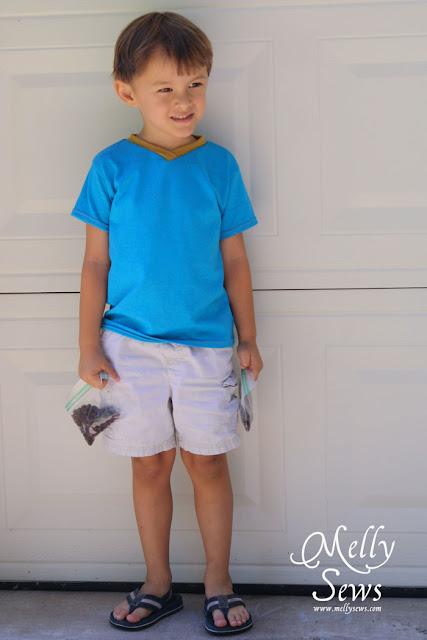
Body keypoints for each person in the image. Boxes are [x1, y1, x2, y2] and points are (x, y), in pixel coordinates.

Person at [71, 10, 263, 635]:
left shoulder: (219, 166)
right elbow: (95, 263)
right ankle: (158, 582)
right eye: (166, 88)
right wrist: (87, 346)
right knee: (149, 463)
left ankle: (218, 581)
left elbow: (235, 260)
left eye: (195, 84)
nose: (184, 101)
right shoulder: (111, 167)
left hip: (208, 347)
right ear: (127, 92)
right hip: (129, 347)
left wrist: (248, 338)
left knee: (207, 463)